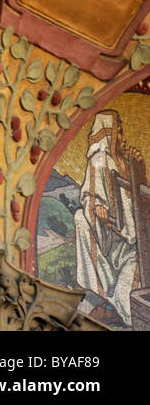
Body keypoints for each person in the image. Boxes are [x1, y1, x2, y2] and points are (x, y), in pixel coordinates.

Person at [74, 110, 142, 325]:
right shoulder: (100, 161)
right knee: (80, 218)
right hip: (112, 240)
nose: (123, 139)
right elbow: (89, 196)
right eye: (118, 133)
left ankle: (115, 307)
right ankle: (109, 302)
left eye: (122, 133)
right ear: (108, 136)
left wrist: (139, 168)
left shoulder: (126, 161)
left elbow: (141, 201)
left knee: (129, 297)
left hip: (134, 245)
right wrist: (98, 208)